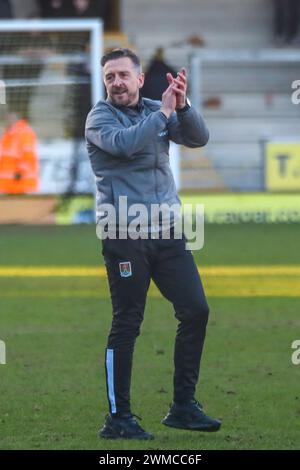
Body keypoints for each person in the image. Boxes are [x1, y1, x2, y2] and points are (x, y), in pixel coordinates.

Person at [85, 48, 221, 440]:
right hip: (123, 234)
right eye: (110, 77)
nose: (117, 83)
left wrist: (183, 104)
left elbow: (198, 138)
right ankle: (118, 417)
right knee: (127, 322)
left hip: (167, 232)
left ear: (140, 79)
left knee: (196, 310)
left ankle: (182, 407)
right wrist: (162, 114)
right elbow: (126, 144)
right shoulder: (99, 118)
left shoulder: (155, 109)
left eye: (124, 75)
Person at [0, 112, 39, 194]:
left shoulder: (24, 132)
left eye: (10, 118)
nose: (7, 121)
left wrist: (21, 170)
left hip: (20, 179)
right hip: (10, 181)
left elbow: (27, 153)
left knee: (22, 203)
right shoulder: (8, 133)